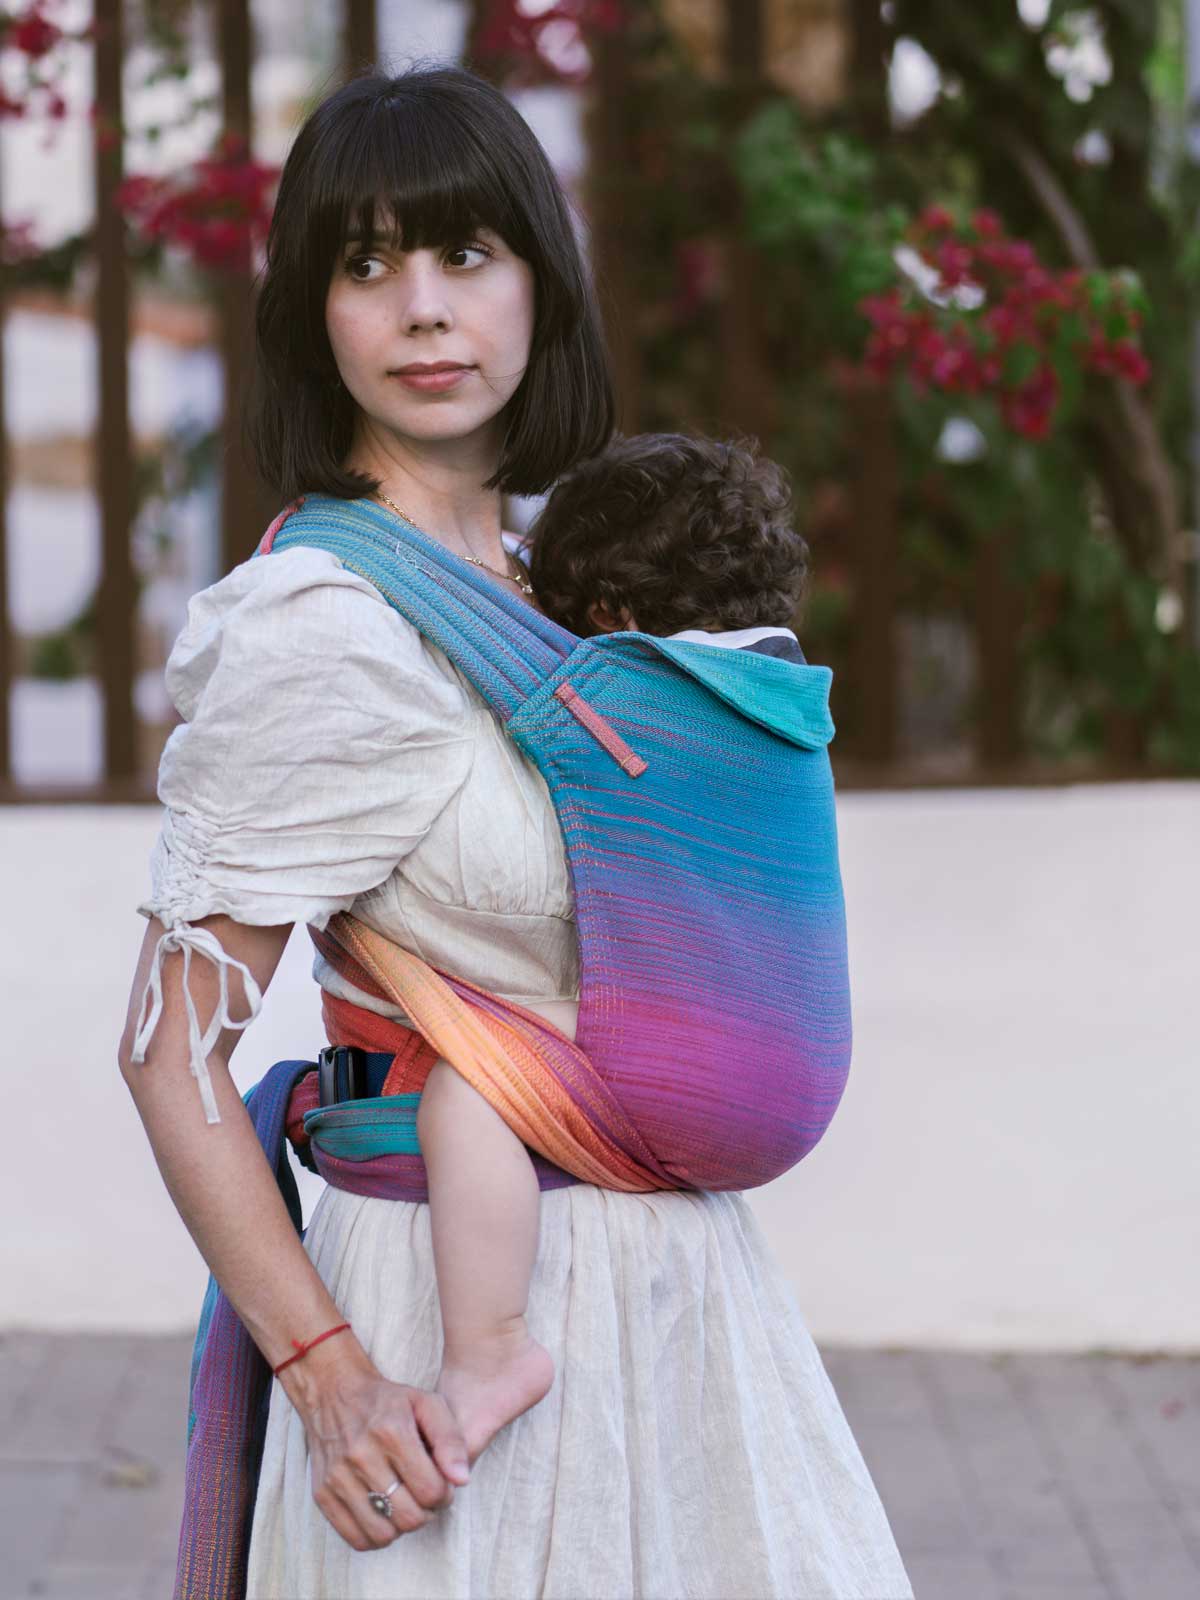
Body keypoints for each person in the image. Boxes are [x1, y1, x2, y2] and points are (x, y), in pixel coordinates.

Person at [119, 63, 914, 1600]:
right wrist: (332, 1376)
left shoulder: (585, 590)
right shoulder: (321, 632)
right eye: (367, 265)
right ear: (314, 316)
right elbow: (169, 1053)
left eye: (465, 256)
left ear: (542, 285)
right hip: (447, 1351)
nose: (423, 310)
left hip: (682, 1323)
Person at [415, 430, 817, 1463]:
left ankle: (491, 1348)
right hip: (797, 1086)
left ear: (606, 617)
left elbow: (479, 644)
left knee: (470, 1085)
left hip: (690, 1078)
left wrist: (380, 545)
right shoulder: (783, 697)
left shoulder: (633, 693)